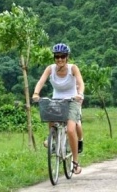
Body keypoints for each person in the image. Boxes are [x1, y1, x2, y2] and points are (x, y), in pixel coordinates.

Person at [32, 43, 84, 174]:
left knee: (71, 130)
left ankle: (75, 162)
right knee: (50, 117)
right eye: (57, 56)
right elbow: (41, 81)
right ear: (54, 57)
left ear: (67, 57)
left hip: (72, 100)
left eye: (63, 56)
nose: (60, 59)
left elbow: (80, 82)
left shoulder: (73, 68)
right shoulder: (50, 69)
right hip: (57, 100)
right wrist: (36, 93)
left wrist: (80, 94)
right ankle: (54, 141)